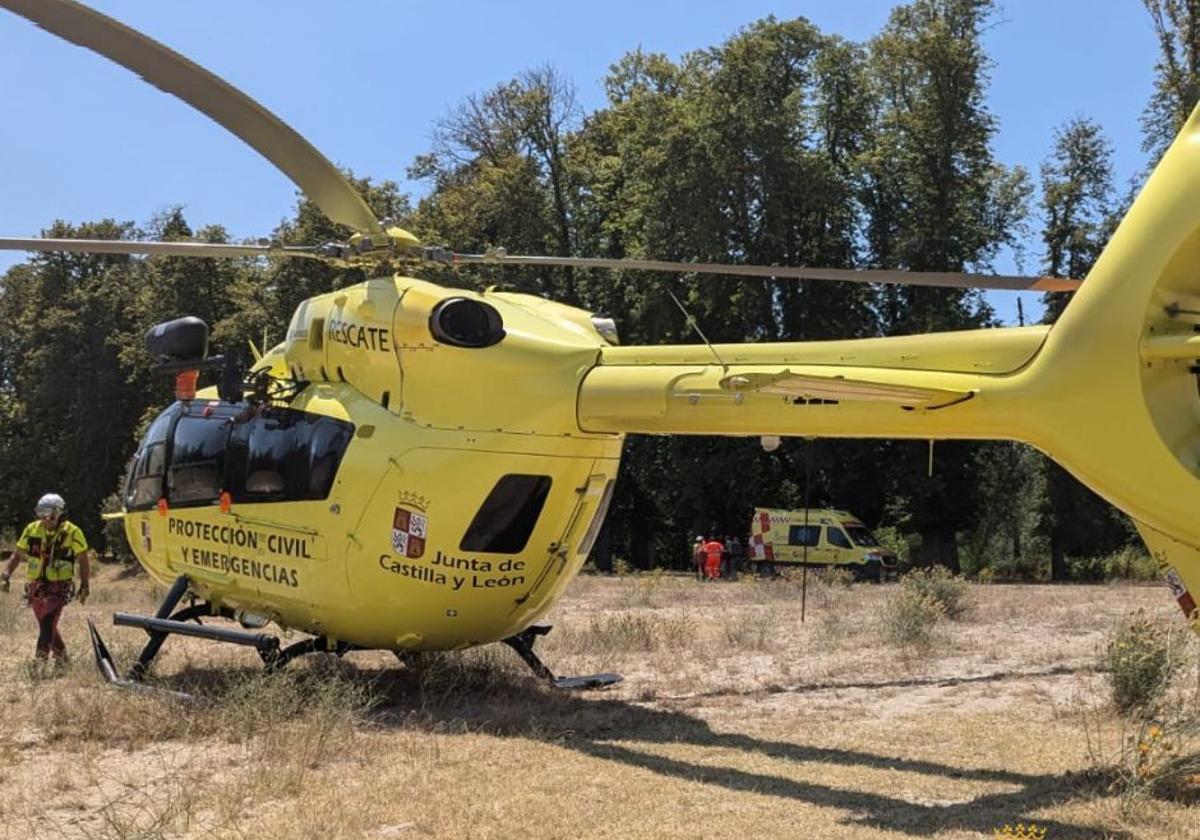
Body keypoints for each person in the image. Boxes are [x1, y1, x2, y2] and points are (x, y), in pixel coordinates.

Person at [1, 493, 92, 667]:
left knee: (47, 622)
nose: (45, 519)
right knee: (47, 626)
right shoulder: (31, 530)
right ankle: (64, 659)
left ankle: (39, 663)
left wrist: (85, 584)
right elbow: (17, 554)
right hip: (36, 587)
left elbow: (83, 558)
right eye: (41, 514)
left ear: (59, 513)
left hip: (59, 587)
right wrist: (6, 575)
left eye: (49, 514)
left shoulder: (73, 532)